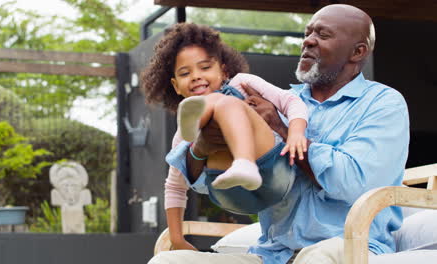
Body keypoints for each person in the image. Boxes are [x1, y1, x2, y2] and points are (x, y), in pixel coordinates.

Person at [149, 3, 410, 264]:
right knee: (169, 262)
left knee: (318, 258)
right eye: (308, 33)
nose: (308, 41)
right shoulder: (279, 98)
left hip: (346, 248)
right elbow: (206, 186)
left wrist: (282, 129)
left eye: (323, 35)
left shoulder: (382, 103)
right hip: (271, 255)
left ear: (358, 52)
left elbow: (354, 183)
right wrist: (201, 148)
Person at [141, 22, 309, 250]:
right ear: (175, 86)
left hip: (273, 174)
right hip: (228, 190)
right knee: (191, 143)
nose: (196, 76)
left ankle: (243, 160)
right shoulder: (182, 133)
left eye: (205, 68)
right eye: (185, 73)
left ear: (224, 71)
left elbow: (290, 101)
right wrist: (177, 239)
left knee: (226, 102)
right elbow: (174, 187)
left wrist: (296, 133)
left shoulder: (243, 83)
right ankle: (220, 144)